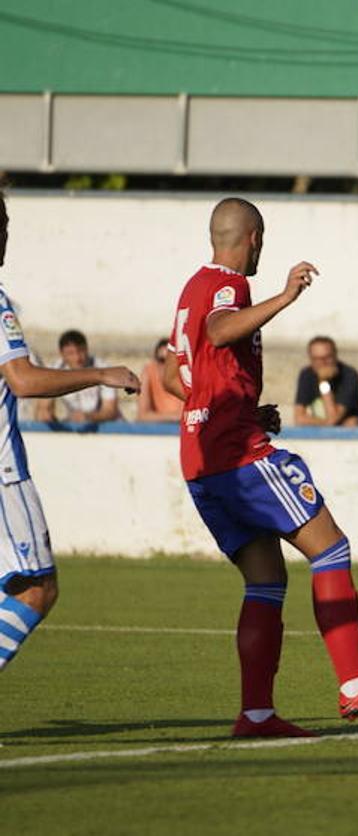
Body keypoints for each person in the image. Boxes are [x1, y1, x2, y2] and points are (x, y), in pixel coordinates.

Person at [162, 197, 358, 738]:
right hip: (236, 453)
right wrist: (285, 296)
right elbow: (220, 331)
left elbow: (172, 377)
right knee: (331, 548)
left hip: (200, 455)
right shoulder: (229, 286)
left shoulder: (191, 289)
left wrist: (236, 406)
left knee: (266, 581)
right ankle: (356, 685)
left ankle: (256, 714)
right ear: (254, 238)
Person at [0, 188, 141, 672]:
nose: (6, 237)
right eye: (2, 226)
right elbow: (22, 380)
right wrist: (100, 374)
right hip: (3, 474)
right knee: (37, 589)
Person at [34, 330, 123, 426]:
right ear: (61, 354)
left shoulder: (103, 369)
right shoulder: (54, 371)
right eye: (71, 353)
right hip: (75, 424)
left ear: (87, 349)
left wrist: (88, 417)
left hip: (109, 426)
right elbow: (43, 409)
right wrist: (47, 417)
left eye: (80, 351)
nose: (77, 358)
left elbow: (110, 411)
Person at [293, 336, 358, 427]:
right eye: (317, 359)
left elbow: (333, 418)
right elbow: (299, 418)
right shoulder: (306, 374)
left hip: (352, 428)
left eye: (326, 358)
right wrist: (325, 423)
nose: (322, 363)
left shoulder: (349, 375)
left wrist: (323, 382)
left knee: (352, 423)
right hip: (323, 427)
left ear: (335, 356)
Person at [137, 337, 184, 423]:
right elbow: (142, 416)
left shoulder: (185, 376)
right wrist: (175, 417)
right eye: (162, 360)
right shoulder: (149, 372)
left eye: (170, 361)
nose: (166, 366)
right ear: (155, 362)